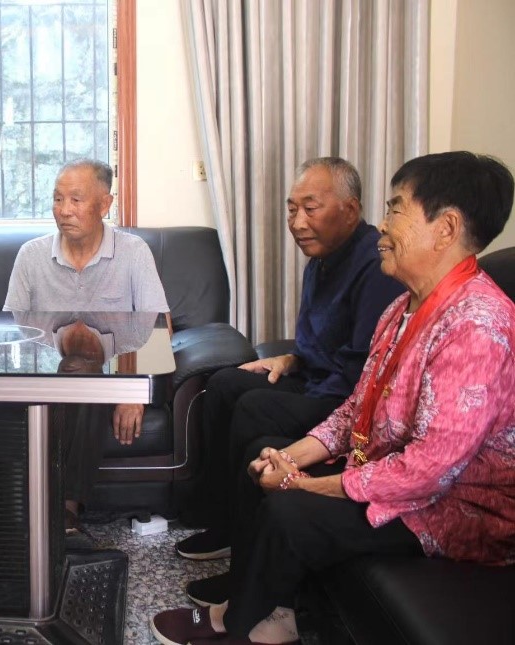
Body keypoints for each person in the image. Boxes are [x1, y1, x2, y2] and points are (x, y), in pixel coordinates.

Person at [151, 151, 515, 645]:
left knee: (289, 509)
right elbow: (355, 410)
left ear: (445, 228)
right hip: (392, 472)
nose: (382, 226)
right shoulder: (403, 308)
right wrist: (294, 457)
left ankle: (235, 626)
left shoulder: (478, 325)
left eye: (396, 208)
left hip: (455, 508)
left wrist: (309, 484)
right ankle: (265, 610)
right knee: (265, 458)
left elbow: (429, 472)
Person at [175, 158, 404, 605]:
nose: (297, 223)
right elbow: (323, 341)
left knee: (254, 408)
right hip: (319, 380)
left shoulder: (375, 267)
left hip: (346, 398)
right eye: (292, 209)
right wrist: (293, 358)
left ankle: (243, 550)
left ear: (351, 210)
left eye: (310, 209)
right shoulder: (320, 258)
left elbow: (361, 371)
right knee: (225, 383)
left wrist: (304, 375)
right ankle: (219, 515)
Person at [3, 158, 170, 532]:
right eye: (57, 199)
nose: (64, 210)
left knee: (84, 370)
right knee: (73, 370)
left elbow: (155, 329)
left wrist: (130, 391)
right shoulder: (31, 255)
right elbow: (14, 332)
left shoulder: (134, 252)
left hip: (107, 378)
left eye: (76, 200)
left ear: (105, 204)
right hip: (44, 377)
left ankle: (63, 508)